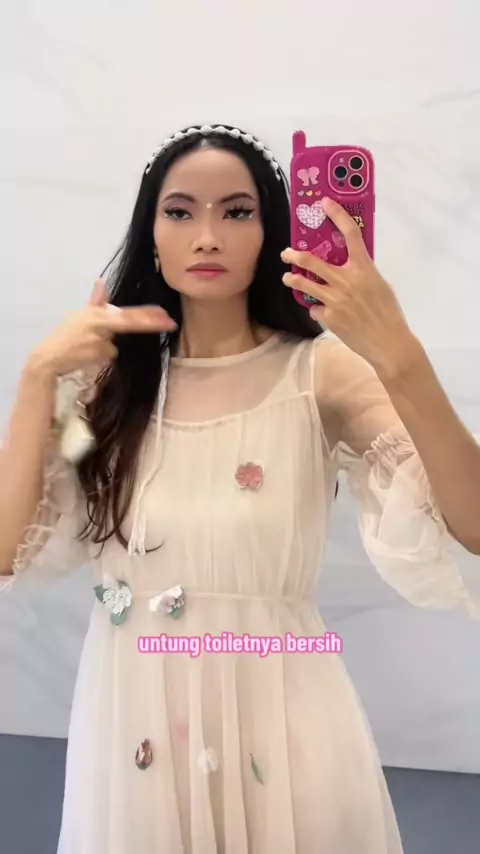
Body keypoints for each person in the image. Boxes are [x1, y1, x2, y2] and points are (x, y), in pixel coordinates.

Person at [1, 123, 480, 854]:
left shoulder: (319, 374)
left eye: (236, 211)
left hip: (283, 728)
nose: (207, 236)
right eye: (180, 211)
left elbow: (473, 523)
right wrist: (38, 379)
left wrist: (400, 357)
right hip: (134, 733)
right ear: (151, 234)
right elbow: (8, 551)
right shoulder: (108, 391)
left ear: (270, 233)